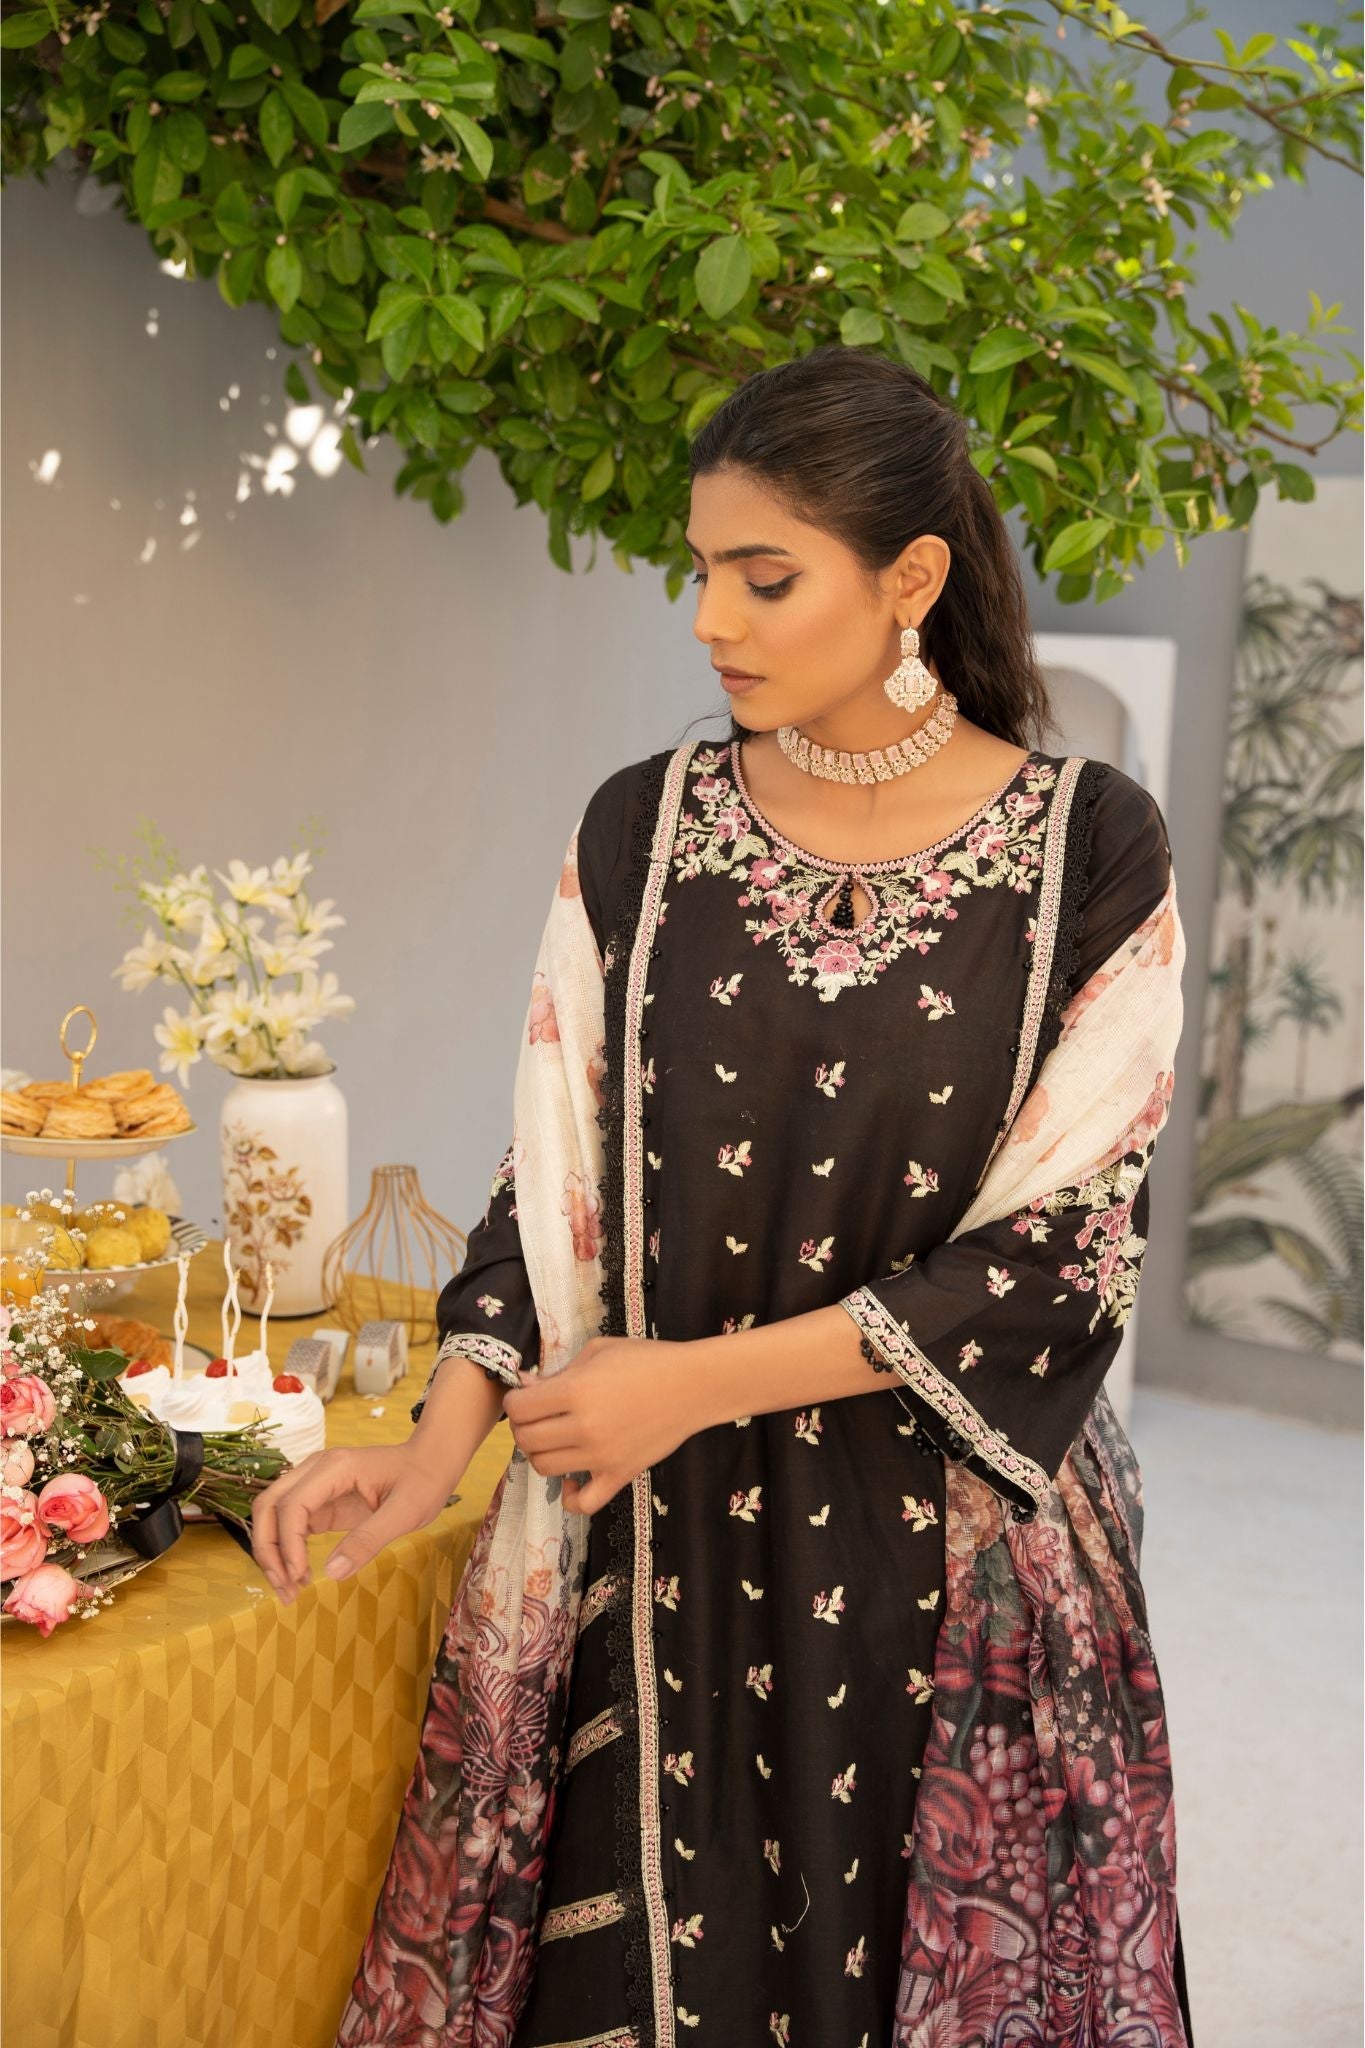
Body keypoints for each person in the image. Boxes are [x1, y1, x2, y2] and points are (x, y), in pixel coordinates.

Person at [253, 344, 1194, 2046]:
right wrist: (438, 1445)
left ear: (909, 577)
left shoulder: (1089, 848)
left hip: (948, 1548)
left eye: (764, 579)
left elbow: (1061, 1255)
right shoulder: (644, 824)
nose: (710, 621)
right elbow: (553, 1176)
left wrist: (686, 1384)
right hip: (651, 1536)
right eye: (700, 572)